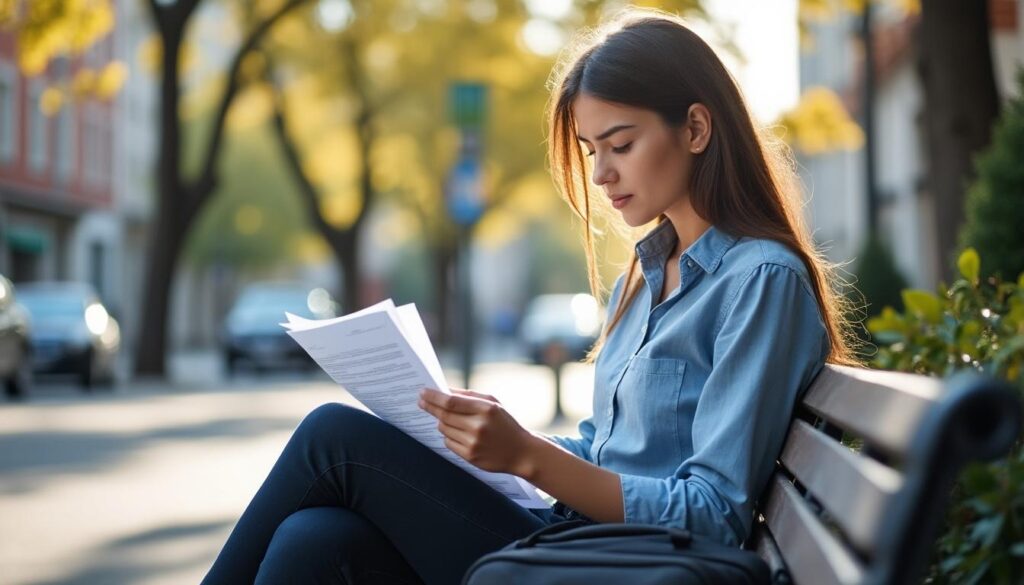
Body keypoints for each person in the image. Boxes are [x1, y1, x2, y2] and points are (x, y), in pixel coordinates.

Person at [201, 8, 857, 585]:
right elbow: (608, 449)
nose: (601, 174)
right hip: (576, 536)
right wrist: (497, 439)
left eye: (621, 144)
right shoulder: (647, 273)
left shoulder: (759, 282)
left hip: (623, 561)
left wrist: (527, 456)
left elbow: (712, 515)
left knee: (332, 436)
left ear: (694, 128)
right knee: (314, 538)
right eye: (591, 149)